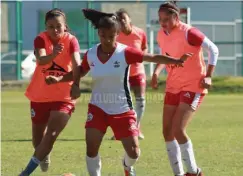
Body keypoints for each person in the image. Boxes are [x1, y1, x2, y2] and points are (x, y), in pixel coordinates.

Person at [69, 8, 192, 176]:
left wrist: (176, 61)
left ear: (117, 34)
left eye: (111, 36)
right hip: (97, 108)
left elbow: (152, 57)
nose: (106, 39)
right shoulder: (91, 54)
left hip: (122, 109)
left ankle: (127, 166)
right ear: (98, 33)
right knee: (91, 148)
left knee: (134, 152)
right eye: (103, 35)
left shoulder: (125, 52)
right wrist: (68, 82)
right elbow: (79, 72)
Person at [151, 1, 219, 176]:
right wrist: (156, 72)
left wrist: (209, 75)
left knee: (178, 130)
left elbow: (213, 49)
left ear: (176, 16)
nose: (163, 23)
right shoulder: (161, 34)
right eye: (160, 19)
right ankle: (179, 174)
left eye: (166, 19)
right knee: (167, 132)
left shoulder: (189, 32)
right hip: (173, 85)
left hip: (193, 85)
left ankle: (195, 172)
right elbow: (164, 56)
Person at [19, 8, 81, 176]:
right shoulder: (40, 38)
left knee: (51, 135)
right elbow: (40, 60)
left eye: (58, 26)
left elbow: (77, 64)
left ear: (65, 26)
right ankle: (43, 155)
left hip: (64, 96)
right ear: (46, 27)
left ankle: (24, 173)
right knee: (38, 142)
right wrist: (53, 54)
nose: (55, 30)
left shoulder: (71, 40)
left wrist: (76, 84)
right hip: (40, 95)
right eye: (50, 26)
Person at [108, 8, 148, 140]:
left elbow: (144, 48)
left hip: (138, 72)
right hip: (121, 74)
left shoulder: (140, 33)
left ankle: (135, 128)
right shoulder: (116, 35)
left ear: (129, 19)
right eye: (119, 20)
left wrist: (141, 56)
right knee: (122, 104)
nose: (122, 21)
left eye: (123, 18)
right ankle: (120, 130)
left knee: (140, 101)